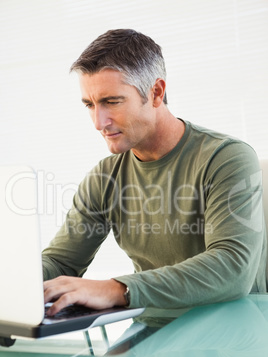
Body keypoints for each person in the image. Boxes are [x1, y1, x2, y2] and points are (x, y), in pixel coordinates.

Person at [43, 29, 267, 316]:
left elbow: (232, 267)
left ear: (156, 92)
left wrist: (117, 289)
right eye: (90, 105)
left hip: (229, 331)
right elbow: (61, 262)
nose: (99, 122)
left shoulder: (226, 158)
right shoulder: (104, 178)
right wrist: (17, 286)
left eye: (112, 101)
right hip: (153, 329)